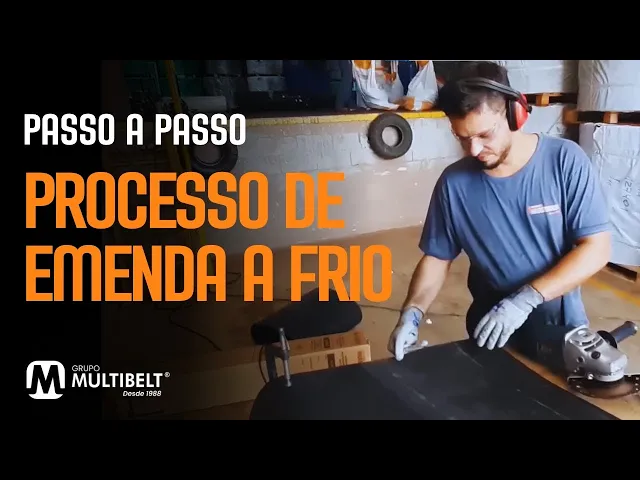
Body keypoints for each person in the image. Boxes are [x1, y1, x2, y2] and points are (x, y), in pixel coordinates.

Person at [387, 61, 612, 371]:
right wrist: (411, 314)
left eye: (485, 134)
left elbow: (596, 248)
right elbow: (437, 258)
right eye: (462, 138)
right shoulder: (453, 184)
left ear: (514, 112)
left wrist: (526, 298)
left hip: (558, 326)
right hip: (490, 326)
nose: (474, 149)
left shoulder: (564, 161)